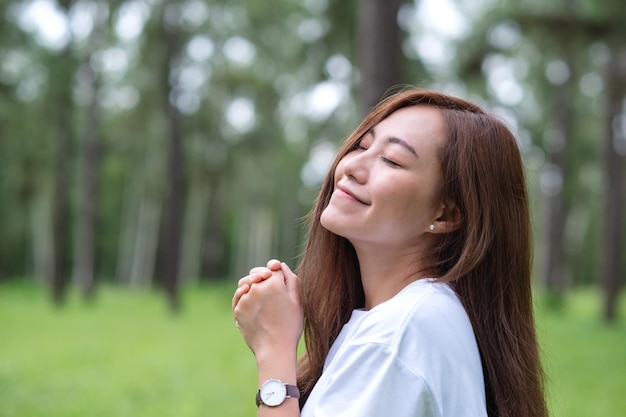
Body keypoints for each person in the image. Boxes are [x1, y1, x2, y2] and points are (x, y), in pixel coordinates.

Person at [232, 88, 548, 417]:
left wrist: (274, 352)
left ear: (444, 215)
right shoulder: (412, 319)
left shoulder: (397, 336)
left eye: (392, 160)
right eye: (362, 145)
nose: (352, 166)